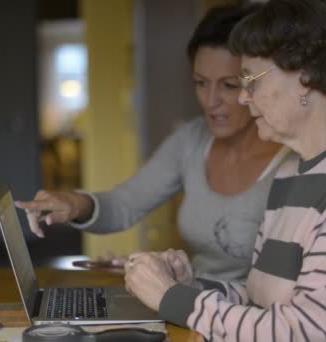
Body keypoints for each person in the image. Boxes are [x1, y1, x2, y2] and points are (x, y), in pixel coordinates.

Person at [123, 0, 326, 340]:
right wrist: (190, 287)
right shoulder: (291, 171)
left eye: (250, 79)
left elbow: (308, 333)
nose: (242, 98)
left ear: (306, 77)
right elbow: (263, 304)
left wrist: (176, 300)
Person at [15, 4, 288, 281]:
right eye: (200, 83)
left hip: (249, 317)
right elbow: (125, 203)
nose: (210, 101)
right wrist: (75, 203)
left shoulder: (293, 158)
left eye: (229, 85)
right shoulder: (191, 139)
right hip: (194, 307)